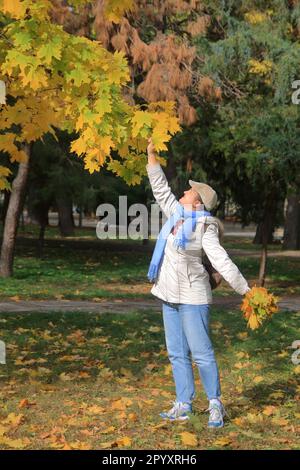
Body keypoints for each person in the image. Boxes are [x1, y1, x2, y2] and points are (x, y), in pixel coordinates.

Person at [146, 138, 251, 428]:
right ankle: (183, 403)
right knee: (176, 352)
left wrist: (246, 291)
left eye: (189, 190)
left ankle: (215, 404)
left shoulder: (205, 227)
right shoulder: (175, 215)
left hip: (193, 297)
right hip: (168, 295)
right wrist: (151, 156)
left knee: (202, 354)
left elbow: (221, 261)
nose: (183, 190)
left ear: (198, 201)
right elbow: (161, 189)